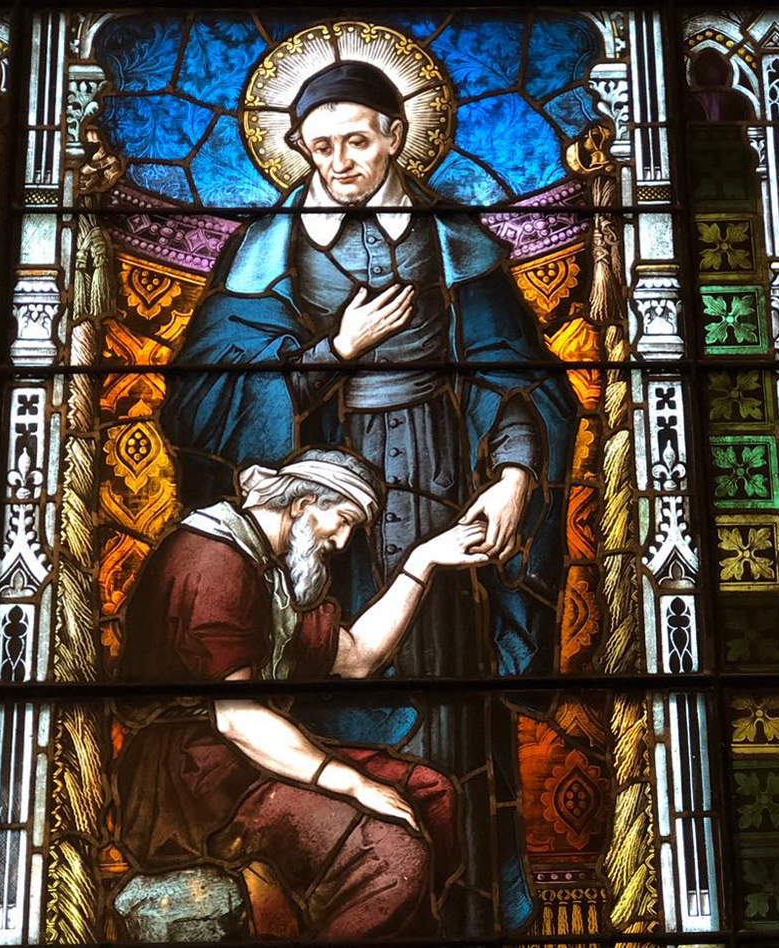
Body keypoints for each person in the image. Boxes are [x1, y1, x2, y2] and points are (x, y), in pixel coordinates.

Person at [161, 60, 577, 930]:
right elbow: (201, 400)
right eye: (320, 147)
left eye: (356, 140)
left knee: (448, 695)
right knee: (333, 679)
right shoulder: (266, 250)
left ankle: (464, 914)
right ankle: (353, 899)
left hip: (441, 492)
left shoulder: (452, 239)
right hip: (323, 517)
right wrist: (333, 354)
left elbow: (516, 375)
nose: (340, 162)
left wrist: (511, 477)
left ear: (396, 134)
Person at [116, 448, 490, 938]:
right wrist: (353, 784)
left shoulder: (262, 569)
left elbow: (357, 656)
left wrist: (423, 562)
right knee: (386, 855)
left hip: (242, 761)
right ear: (302, 504)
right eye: (343, 520)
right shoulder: (213, 561)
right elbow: (237, 717)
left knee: (430, 793)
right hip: (190, 778)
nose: (341, 541)